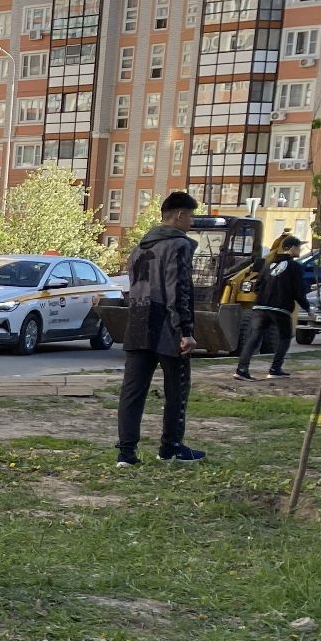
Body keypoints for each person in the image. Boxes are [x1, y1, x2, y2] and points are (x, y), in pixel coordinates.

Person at [116, 190, 204, 467]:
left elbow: (133, 289)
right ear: (179, 215)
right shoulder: (179, 245)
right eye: (190, 216)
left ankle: (126, 454)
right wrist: (186, 331)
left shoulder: (139, 247)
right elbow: (178, 290)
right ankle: (171, 448)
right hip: (167, 326)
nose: (191, 222)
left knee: (132, 392)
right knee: (177, 389)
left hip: (138, 324)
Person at [235, 234, 310, 380]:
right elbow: (298, 291)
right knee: (285, 337)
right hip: (280, 308)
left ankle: (241, 369)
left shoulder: (268, 265)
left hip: (260, 307)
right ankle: (275, 369)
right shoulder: (294, 266)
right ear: (291, 248)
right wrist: (307, 307)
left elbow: (257, 287)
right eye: (298, 247)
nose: (300, 249)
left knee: (254, 336)